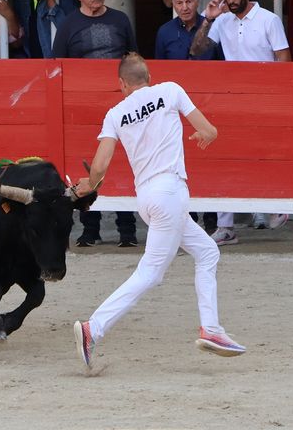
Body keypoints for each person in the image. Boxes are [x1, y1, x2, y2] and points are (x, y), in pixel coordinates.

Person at [72, 52, 246, 369]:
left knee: (208, 252)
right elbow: (209, 130)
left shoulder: (116, 112)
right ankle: (92, 328)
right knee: (150, 273)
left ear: (122, 84)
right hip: (171, 193)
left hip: (148, 199)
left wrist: (89, 184)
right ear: (148, 77)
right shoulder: (170, 90)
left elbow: (100, 165)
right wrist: (204, 135)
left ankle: (213, 328)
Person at [190, 0, 290, 245]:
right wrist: (208, 19)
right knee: (228, 158)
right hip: (231, 99)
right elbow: (196, 50)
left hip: (264, 98)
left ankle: (272, 207)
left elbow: (283, 58)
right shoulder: (221, 21)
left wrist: (278, 97)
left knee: (263, 155)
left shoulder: (269, 20)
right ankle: (226, 226)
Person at [53, 0, 138, 247]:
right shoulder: (68, 25)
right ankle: (91, 229)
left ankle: (127, 230)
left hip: (121, 101)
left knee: (126, 160)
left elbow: (132, 60)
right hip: (84, 105)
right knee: (89, 161)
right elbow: (57, 66)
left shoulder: (120, 20)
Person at [155, 0, 222, 234]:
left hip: (206, 102)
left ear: (197, 2)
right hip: (176, 108)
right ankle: (189, 219)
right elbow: (160, 72)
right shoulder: (164, 32)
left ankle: (213, 222)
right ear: (173, 5)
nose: (184, 7)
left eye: (189, 2)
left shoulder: (213, 25)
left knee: (209, 159)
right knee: (180, 161)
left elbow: (222, 64)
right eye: (179, 3)